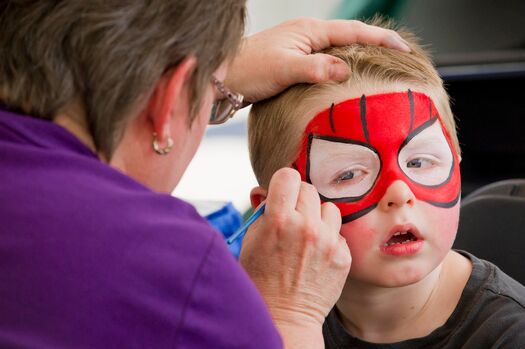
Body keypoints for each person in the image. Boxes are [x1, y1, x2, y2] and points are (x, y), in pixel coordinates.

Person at [0, 1, 414, 348]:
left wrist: (205, 80)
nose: (399, 190)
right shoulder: (172, 266)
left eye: (419, 162)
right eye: (215, 100)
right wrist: (292, 316)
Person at [246, 19, 525, 348]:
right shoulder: (260, 312)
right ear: (273, 209)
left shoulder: (509, 334)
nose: (400, 192)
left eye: (419, 163)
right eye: (348, 174)